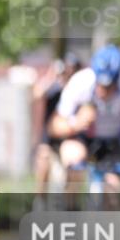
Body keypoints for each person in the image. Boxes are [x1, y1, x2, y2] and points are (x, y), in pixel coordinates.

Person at [49, 44, 120, 199]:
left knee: (113, 191)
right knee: (74, 160)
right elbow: (55, 125)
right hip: (81, 138)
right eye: (100, 84)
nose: (103, 90)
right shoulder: (80, 82)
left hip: (111, 142)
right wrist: (76, 123)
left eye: (109, 86)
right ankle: (70, 212)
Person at [32, 52, 82, 203]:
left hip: (70, 136)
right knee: (43, 158)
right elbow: (37, 94)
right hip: (50, 136)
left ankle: (71, 205)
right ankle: (40, 199)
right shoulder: (54, 88)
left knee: (74, 166)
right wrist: (51, 75)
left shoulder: (79, 91)